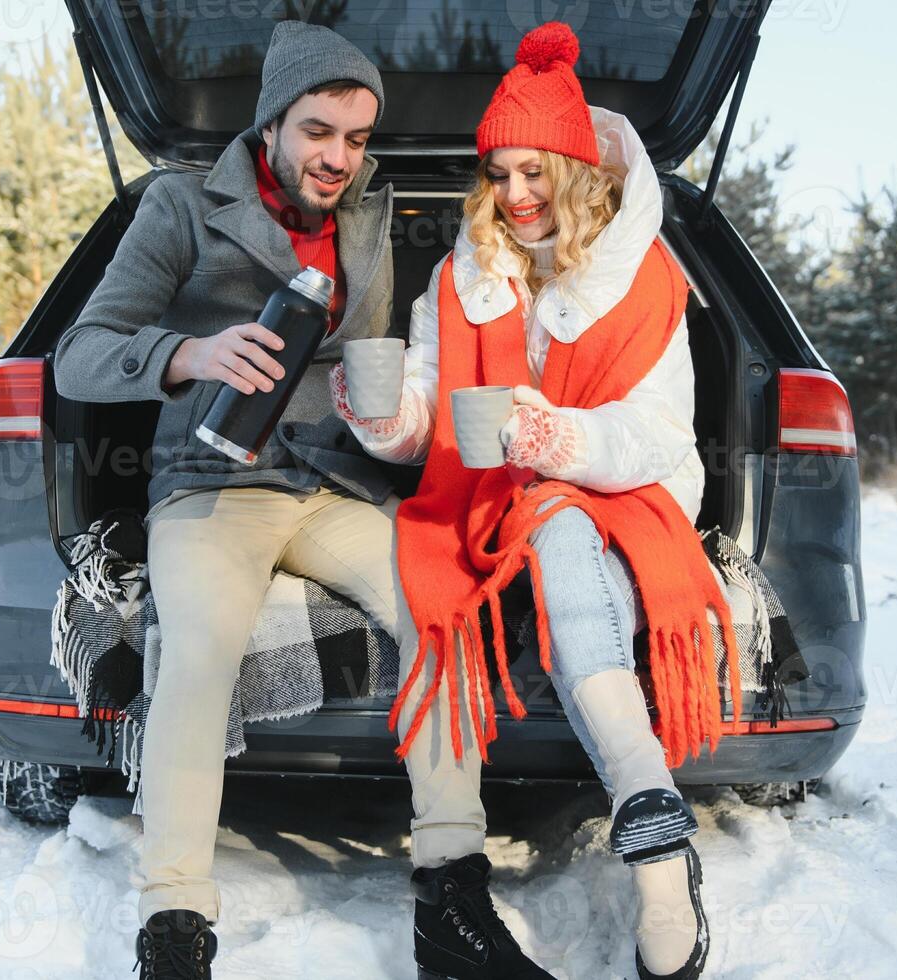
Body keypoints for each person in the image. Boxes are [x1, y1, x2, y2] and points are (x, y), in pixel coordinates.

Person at [331, 22, 742, 980]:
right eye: (500, 173)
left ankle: (649, 832)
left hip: (627, 492)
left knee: (560, 519)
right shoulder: (462, 273)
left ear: (576, 169)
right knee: (545, 519)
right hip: (496, 498)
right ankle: (655, 822)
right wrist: (383, 418)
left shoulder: (644, 281)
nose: (513, 196)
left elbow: (660, 437)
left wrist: (563, 441)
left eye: (534, 172)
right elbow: (430, 405)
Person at [53, 21, 408, 979]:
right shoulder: (180, 203)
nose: (338, 157)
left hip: (333, 482)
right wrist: (187, 354)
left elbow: (374, 362)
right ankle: (174, 915)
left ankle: (452, 876)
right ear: (272, 124)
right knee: (200, 648)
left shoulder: (372, 215)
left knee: (439, 614)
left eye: (357, 138)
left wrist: (398, 416)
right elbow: (79, 358)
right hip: (211, 483)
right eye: (317, 131)